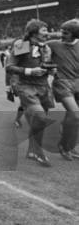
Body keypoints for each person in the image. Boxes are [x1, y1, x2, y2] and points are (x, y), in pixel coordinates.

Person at [6, 19, 55, 166]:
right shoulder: (23, 45)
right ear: (34, 32)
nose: (48, 33)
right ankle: (38, 152)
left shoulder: (46, 48)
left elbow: (46, 66)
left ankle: (32, 151)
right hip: (26, 86)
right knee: (40, 117)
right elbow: (9, 67)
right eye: (44, 30)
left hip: (44, 87)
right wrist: (29, 71)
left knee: (40, 122)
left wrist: (51, 70)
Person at [47, 18, 79, 160]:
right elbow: (33, 48)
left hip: (77, 83)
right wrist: (48, 68)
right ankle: (64, 147)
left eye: (65, 33)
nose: (61, 35)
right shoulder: (53, 45)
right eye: (61, 31)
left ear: (75, 34)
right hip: (62, 83)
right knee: (75, 114)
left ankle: (70, 146)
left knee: (73, 118)